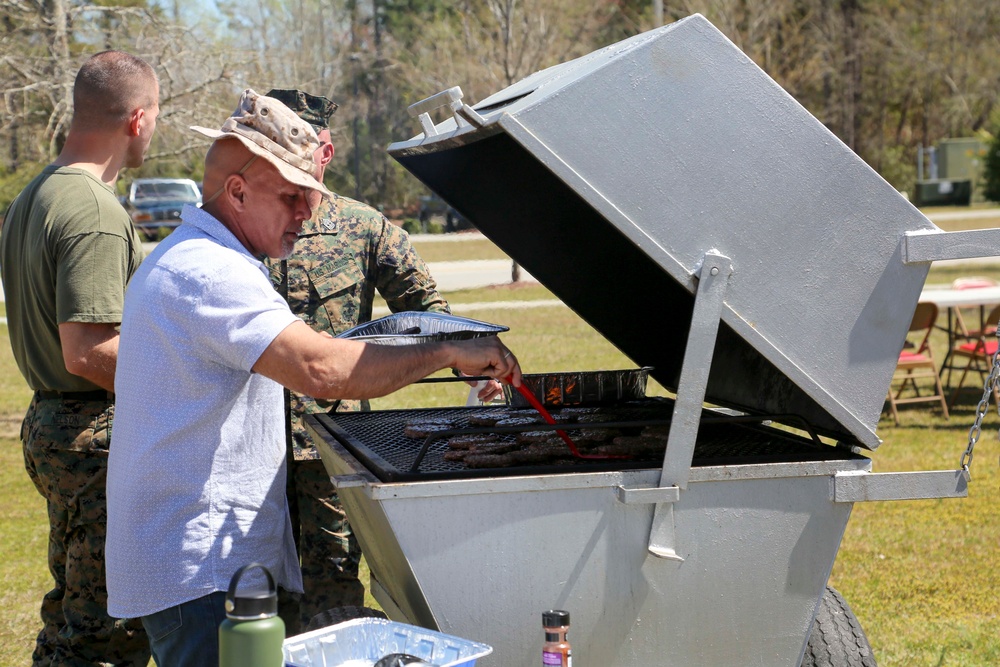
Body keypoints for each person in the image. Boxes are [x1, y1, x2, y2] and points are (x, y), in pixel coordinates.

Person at [104, 89, 521, 665]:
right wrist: (447, 348)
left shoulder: (204, 257)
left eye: (311, 196)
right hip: (199, 570)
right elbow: (321, 369)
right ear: (238, 190)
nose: (306, 212)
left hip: (207, 560)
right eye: (292, 196)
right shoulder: (209, 272)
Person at [262, 88, 503, 630]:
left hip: (329, 446)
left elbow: (427, 313)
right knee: (252, 597)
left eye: (302, 145)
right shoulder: (243, 226)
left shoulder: (363, 227)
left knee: (334, 595)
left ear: (325, 151)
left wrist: (468, 357)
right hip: (246, 450)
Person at [0, 50, 158, 666]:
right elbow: (90, 351)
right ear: (138, 120)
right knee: (107, 635)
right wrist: (186, 387)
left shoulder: (37, 192)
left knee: (73, 617)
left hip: (58, 429)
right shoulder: (92, 209)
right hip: (93, 437)